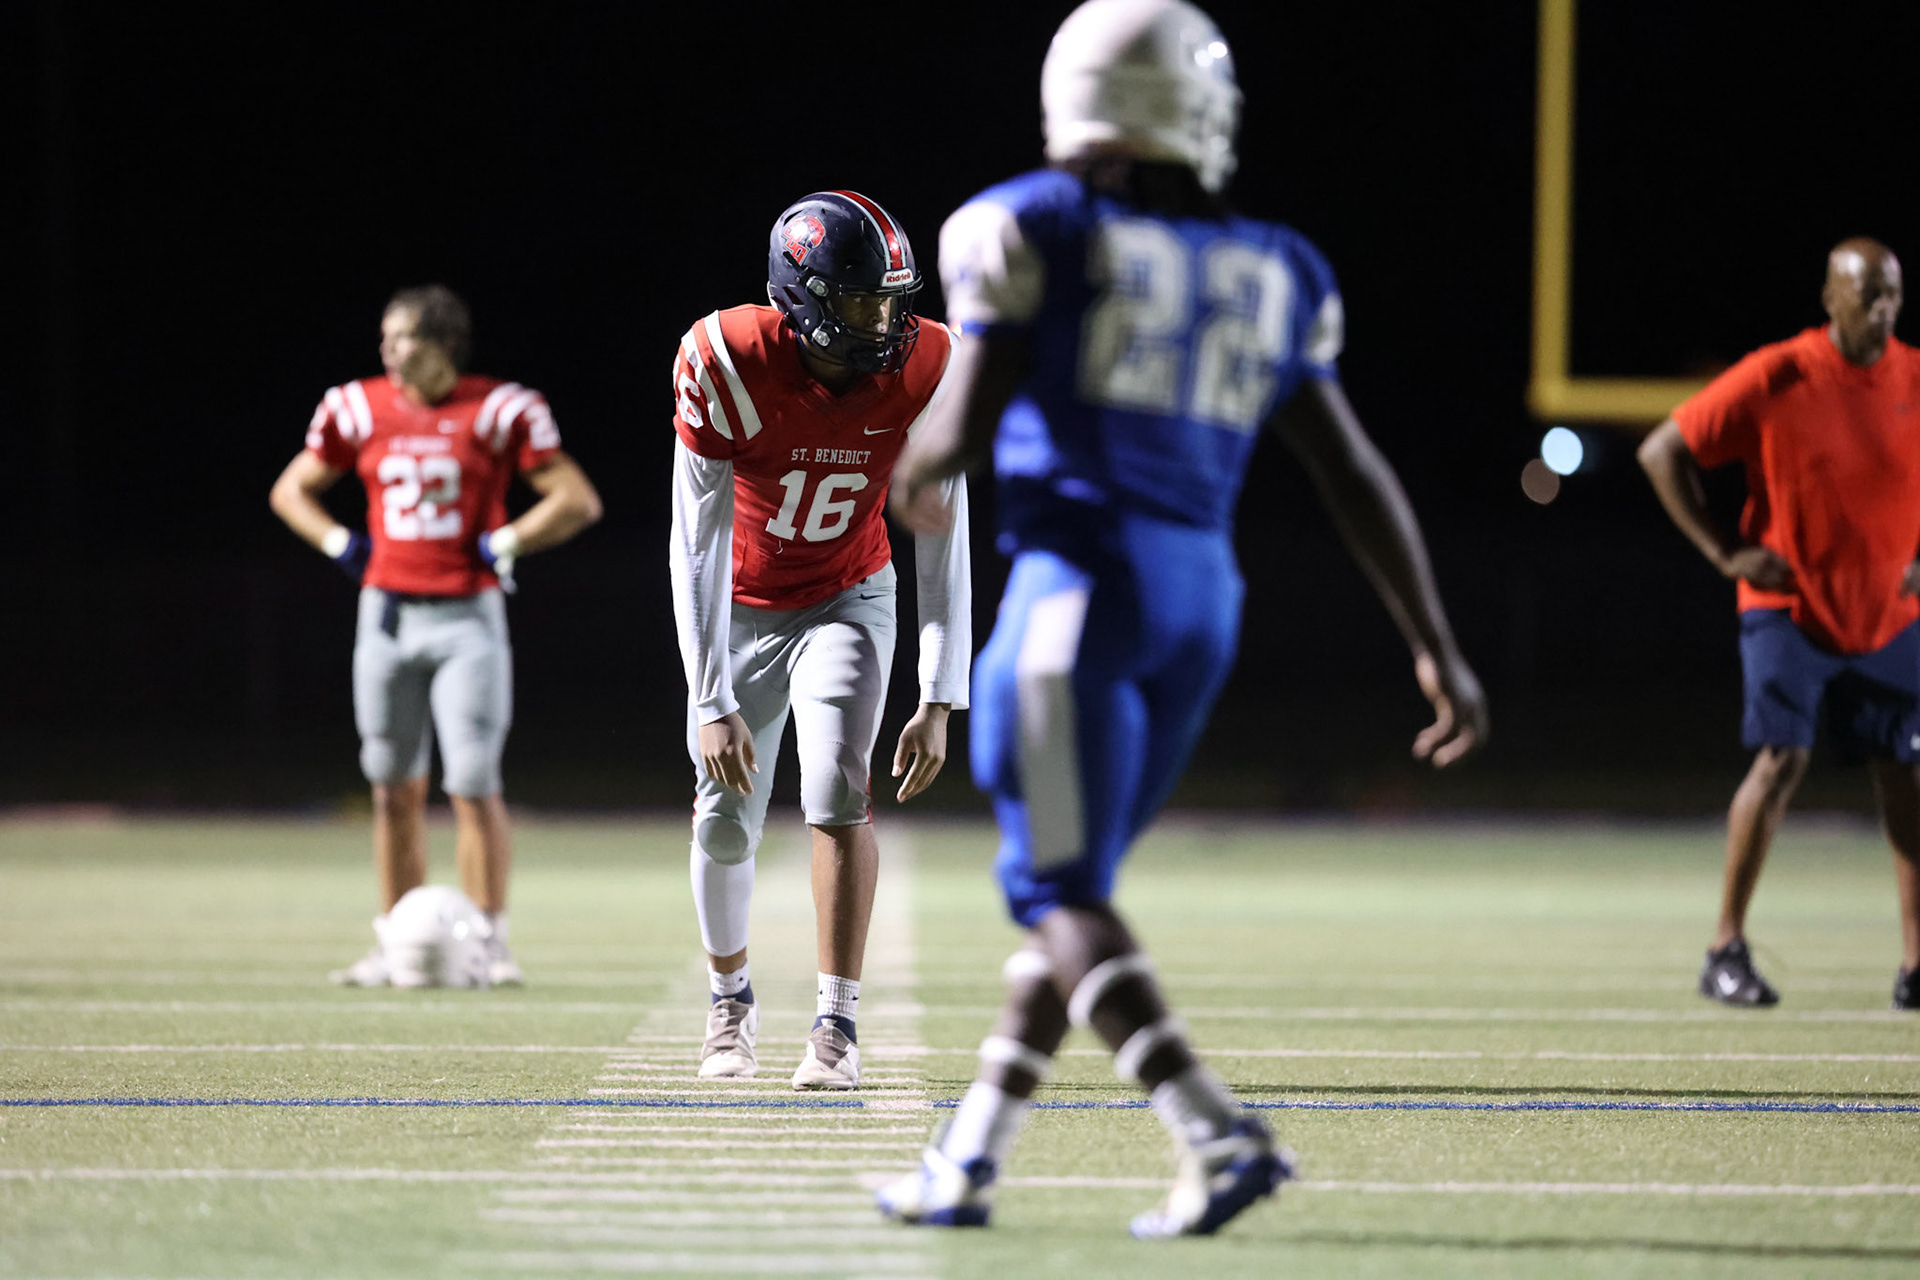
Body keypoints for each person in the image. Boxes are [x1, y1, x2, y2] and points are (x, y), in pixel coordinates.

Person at [875, 0, 1487, 1239]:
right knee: (1070, 894)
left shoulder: (1030, 223)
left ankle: (1215, 1131)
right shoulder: (1278, 262)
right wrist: (1436, 639)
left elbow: (968, 420)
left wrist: (910, 466)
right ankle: (969, 1159)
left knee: (1053, 885)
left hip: (1076, 597)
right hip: (1203, 600)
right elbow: (1354, 471)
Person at [669, 191, 972, 1090]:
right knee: (725, 813)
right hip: (744, 601)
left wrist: (940, 692)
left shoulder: (930, 364)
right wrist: (711, 695)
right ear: (799, 298)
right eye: (857, 300)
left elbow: (942, 521)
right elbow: (697, 534)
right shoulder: (727, 357)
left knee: (839, 786)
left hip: (849, 590)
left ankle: (836, 1024)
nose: (882, 320)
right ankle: (731, 1003)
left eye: (890, 299)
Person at [269, 284, 602, 987]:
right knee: (391, 785)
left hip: (465, 617)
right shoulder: (356, 406)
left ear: (444, 344)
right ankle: (396, 942)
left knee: (474, 782)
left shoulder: (499, 409)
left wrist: (505, 539)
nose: (387, 351)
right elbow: (291, 489)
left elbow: (576, 499)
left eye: (404, 337)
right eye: (386, 337)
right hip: (385, 614)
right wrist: (339, 543)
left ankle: (490, 940)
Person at [1638, 238, 1920, 1013]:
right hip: (1790, 609)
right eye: (1869, 296)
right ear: (1830, 298)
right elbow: (1663, 451)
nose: (1884, 310)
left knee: (1906, 770)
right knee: (1780, 760)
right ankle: (1724, 947)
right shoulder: (1780, 373)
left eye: (1893, 294)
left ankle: (1916, 964)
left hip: (1887, 614)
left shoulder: (1914, 374)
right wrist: (1724, 550)